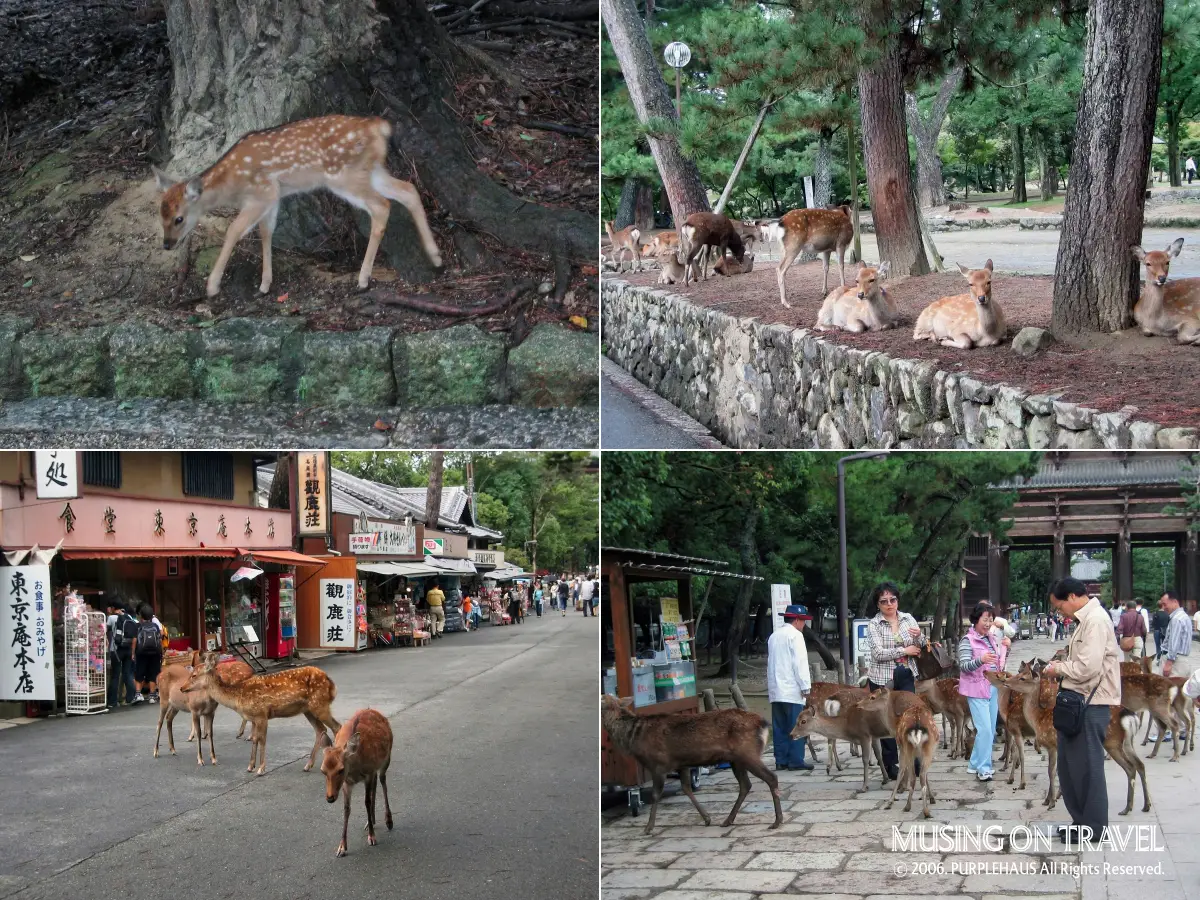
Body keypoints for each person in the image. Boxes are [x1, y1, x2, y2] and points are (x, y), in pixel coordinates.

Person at [1043, 577, 1121, 845]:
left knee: (1088, 766)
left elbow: (1088, 667)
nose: (1059, 611)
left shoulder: (1096, 620)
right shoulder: (1085, 620)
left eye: (1059, 605)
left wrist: (1058, 669)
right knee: (1071, 766)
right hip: (1079, 701)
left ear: (1073, 597)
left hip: (1091, 702)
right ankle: (1081, 822)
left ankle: (1095, 827)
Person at [865, 582, 930, 780]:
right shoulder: (874, 624)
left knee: (910, 718)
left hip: (906, 674)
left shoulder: (908, 619)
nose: (889, 604)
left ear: (897, 600)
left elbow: (921, 645)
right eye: (883, 601)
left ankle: (915, 760)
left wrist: (920, 636)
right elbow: (877, 653)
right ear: (878, 604)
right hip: (882, 678)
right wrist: (904, 651)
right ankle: (891, 763)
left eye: (892, 599)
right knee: (887, 722)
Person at [958, 603, 1005, 782]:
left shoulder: (991, 638)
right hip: (976, 688)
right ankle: (984, 768)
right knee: (984, 729)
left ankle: (974, 763)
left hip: (992, 687)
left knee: (990, 729)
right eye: (985, 619)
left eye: (991, 620)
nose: (988, 623)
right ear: (976, 620)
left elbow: (997, 661)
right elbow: (963, 666)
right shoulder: (967, 641)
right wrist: (980, 660)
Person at [767, 605, 814, 771]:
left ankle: (781, 759)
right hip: (792, 688)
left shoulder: (774, 636)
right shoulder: (796, 636)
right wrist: (805, 687)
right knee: (797, 725)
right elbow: (799, 664)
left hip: (775, 688)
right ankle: (796, 760)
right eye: (803, 621)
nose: (804, 625)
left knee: (779, 726)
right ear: (796, 620)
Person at [106, 596, 139, 707]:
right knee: (128, 674)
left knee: (115, 675)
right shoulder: (128, 616)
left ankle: (113, 702)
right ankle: (131, 698)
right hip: (128, 649)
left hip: (116, 650)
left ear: (113, 607)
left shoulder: (111, 618)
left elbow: (106, 630)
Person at [133, 604, 163, 704]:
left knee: (139, 671)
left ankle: (138, 694)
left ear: (141, 616)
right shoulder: (155, 626)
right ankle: (152, 695)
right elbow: (159, 639)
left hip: (141, 652)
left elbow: (134, 640)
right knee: (153, 672)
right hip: (155, 652)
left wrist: (133, 652)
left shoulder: (138, 626)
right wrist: (161, 651)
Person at [1161, 591, 1193, 679]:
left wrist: (1169, 663)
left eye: (1165, 604)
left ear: (1175, 602)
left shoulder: (1176, 619)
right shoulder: (1184, 616)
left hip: (1175, 663)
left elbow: (1174, 642)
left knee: (1170, 690)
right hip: (1182, 660)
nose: (1163, 608)